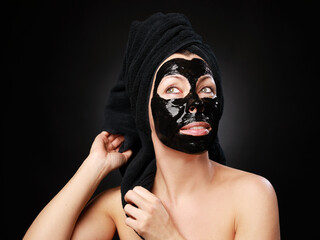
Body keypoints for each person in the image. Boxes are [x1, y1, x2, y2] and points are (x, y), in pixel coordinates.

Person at [24, 13, 280, 240]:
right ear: (143, 108)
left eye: (206, 89)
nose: (196, 104)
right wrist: (92, 170)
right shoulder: (125, 207)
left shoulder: (252, 196)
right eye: (172, 89)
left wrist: (166, 235)